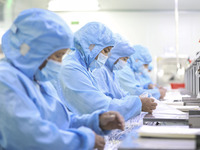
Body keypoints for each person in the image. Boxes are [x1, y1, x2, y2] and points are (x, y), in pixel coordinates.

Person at [0, 8, 125, 150]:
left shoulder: (38, 80)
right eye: (58, 56)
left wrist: (96, 122)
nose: (60, 63)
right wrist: (84, 139)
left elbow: (60, 121)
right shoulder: (6, 80)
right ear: (35, 51)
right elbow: (30, 138)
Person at [58, 22, 148, 121]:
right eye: (105, 51)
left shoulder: (85, 68)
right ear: (90, 46)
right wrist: (137, 104)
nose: (106, 56)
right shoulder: (71, 68)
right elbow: (98, 106)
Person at [92, 41, 157, 115]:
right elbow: (105, 104)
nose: (125, 63)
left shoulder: (112, 72)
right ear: (114, 55)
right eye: (124, 59)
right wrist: (137, 103)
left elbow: (121, 94)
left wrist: (137, 99)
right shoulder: (100, 71)